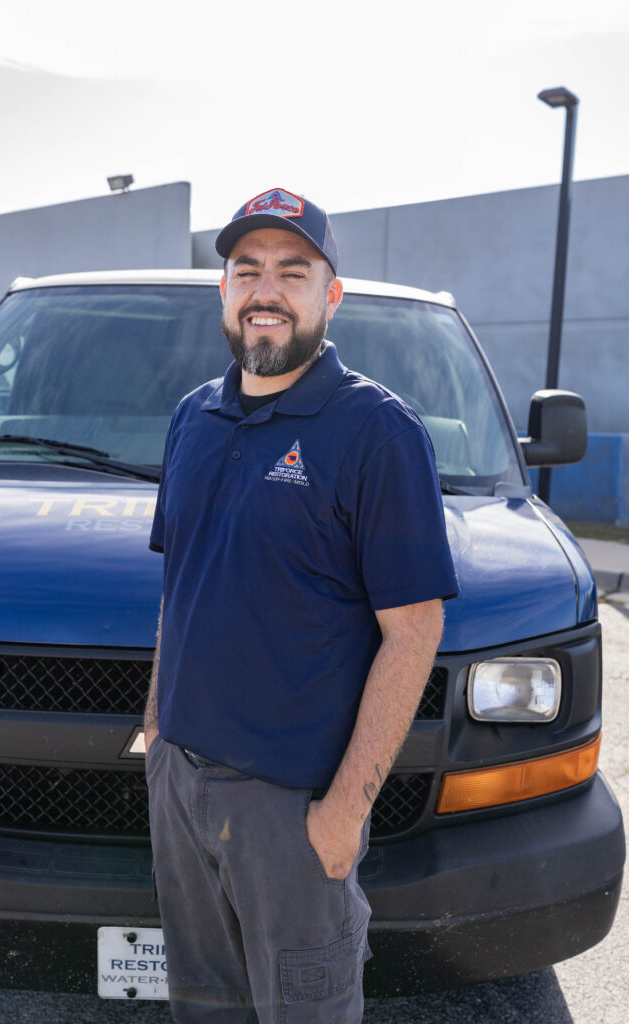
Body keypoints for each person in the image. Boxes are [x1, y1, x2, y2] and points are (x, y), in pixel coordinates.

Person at [144, 187, 459, 1023]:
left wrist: (344, 810)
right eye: (246, 271)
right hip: (181, 788)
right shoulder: (192, 419)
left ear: (330, 293)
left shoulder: (375, 431)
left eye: (293, 270)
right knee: (203, 1006)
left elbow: (413, 628)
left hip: (289, 809)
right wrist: (157, 731)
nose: (265, 291)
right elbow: (182, 585)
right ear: (224, 293)